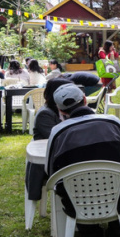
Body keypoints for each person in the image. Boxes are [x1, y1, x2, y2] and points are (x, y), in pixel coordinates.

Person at [45, 84, 120, 237]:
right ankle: (116, 236)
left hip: (77, 200)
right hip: (118, 196)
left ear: (60, 110)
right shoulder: (112, 122)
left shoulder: (57, 132)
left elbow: (51, 173)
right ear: (85, 100)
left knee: (66, 187)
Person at [24, 78, 75, 207]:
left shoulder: (66, 110)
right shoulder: (45, 114)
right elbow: (58, 140)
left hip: (64, 157)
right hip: (49, 162)